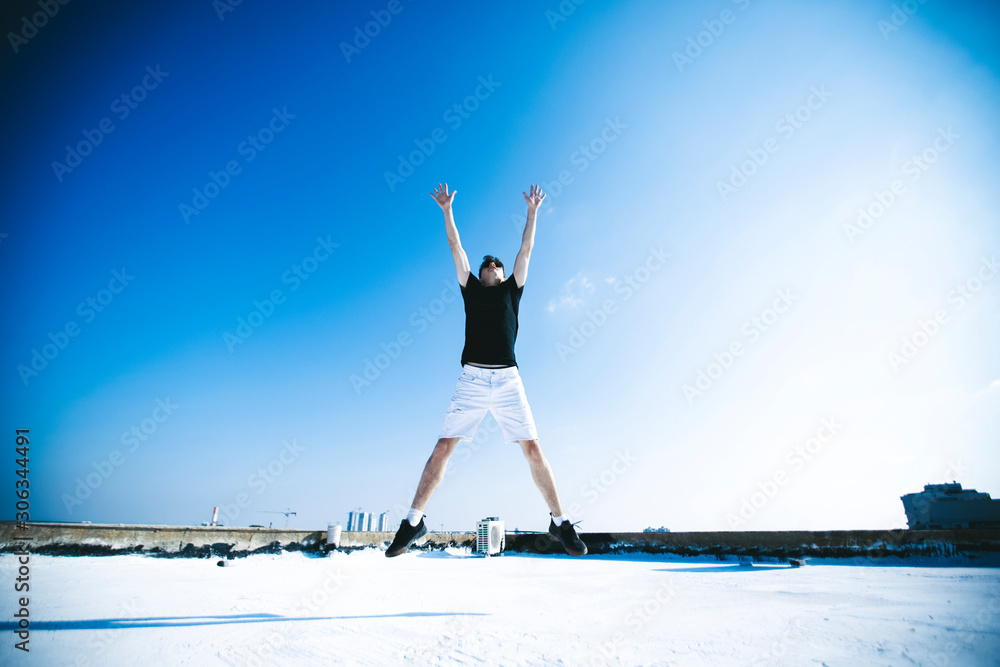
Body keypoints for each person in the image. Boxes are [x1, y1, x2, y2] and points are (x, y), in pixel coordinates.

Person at [386, 183, 587, 558]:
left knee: (534, 450)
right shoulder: (471, 289)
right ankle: (413, 521)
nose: (492, 266)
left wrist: (533, 212)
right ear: (479, 274)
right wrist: (447, 211)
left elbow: (526, 249)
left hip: (509, 379)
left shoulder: (513, 289)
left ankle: (560, 522)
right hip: (473, 379)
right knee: (443, 447)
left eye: (497, 263)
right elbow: (455, 248)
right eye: (487, 264)